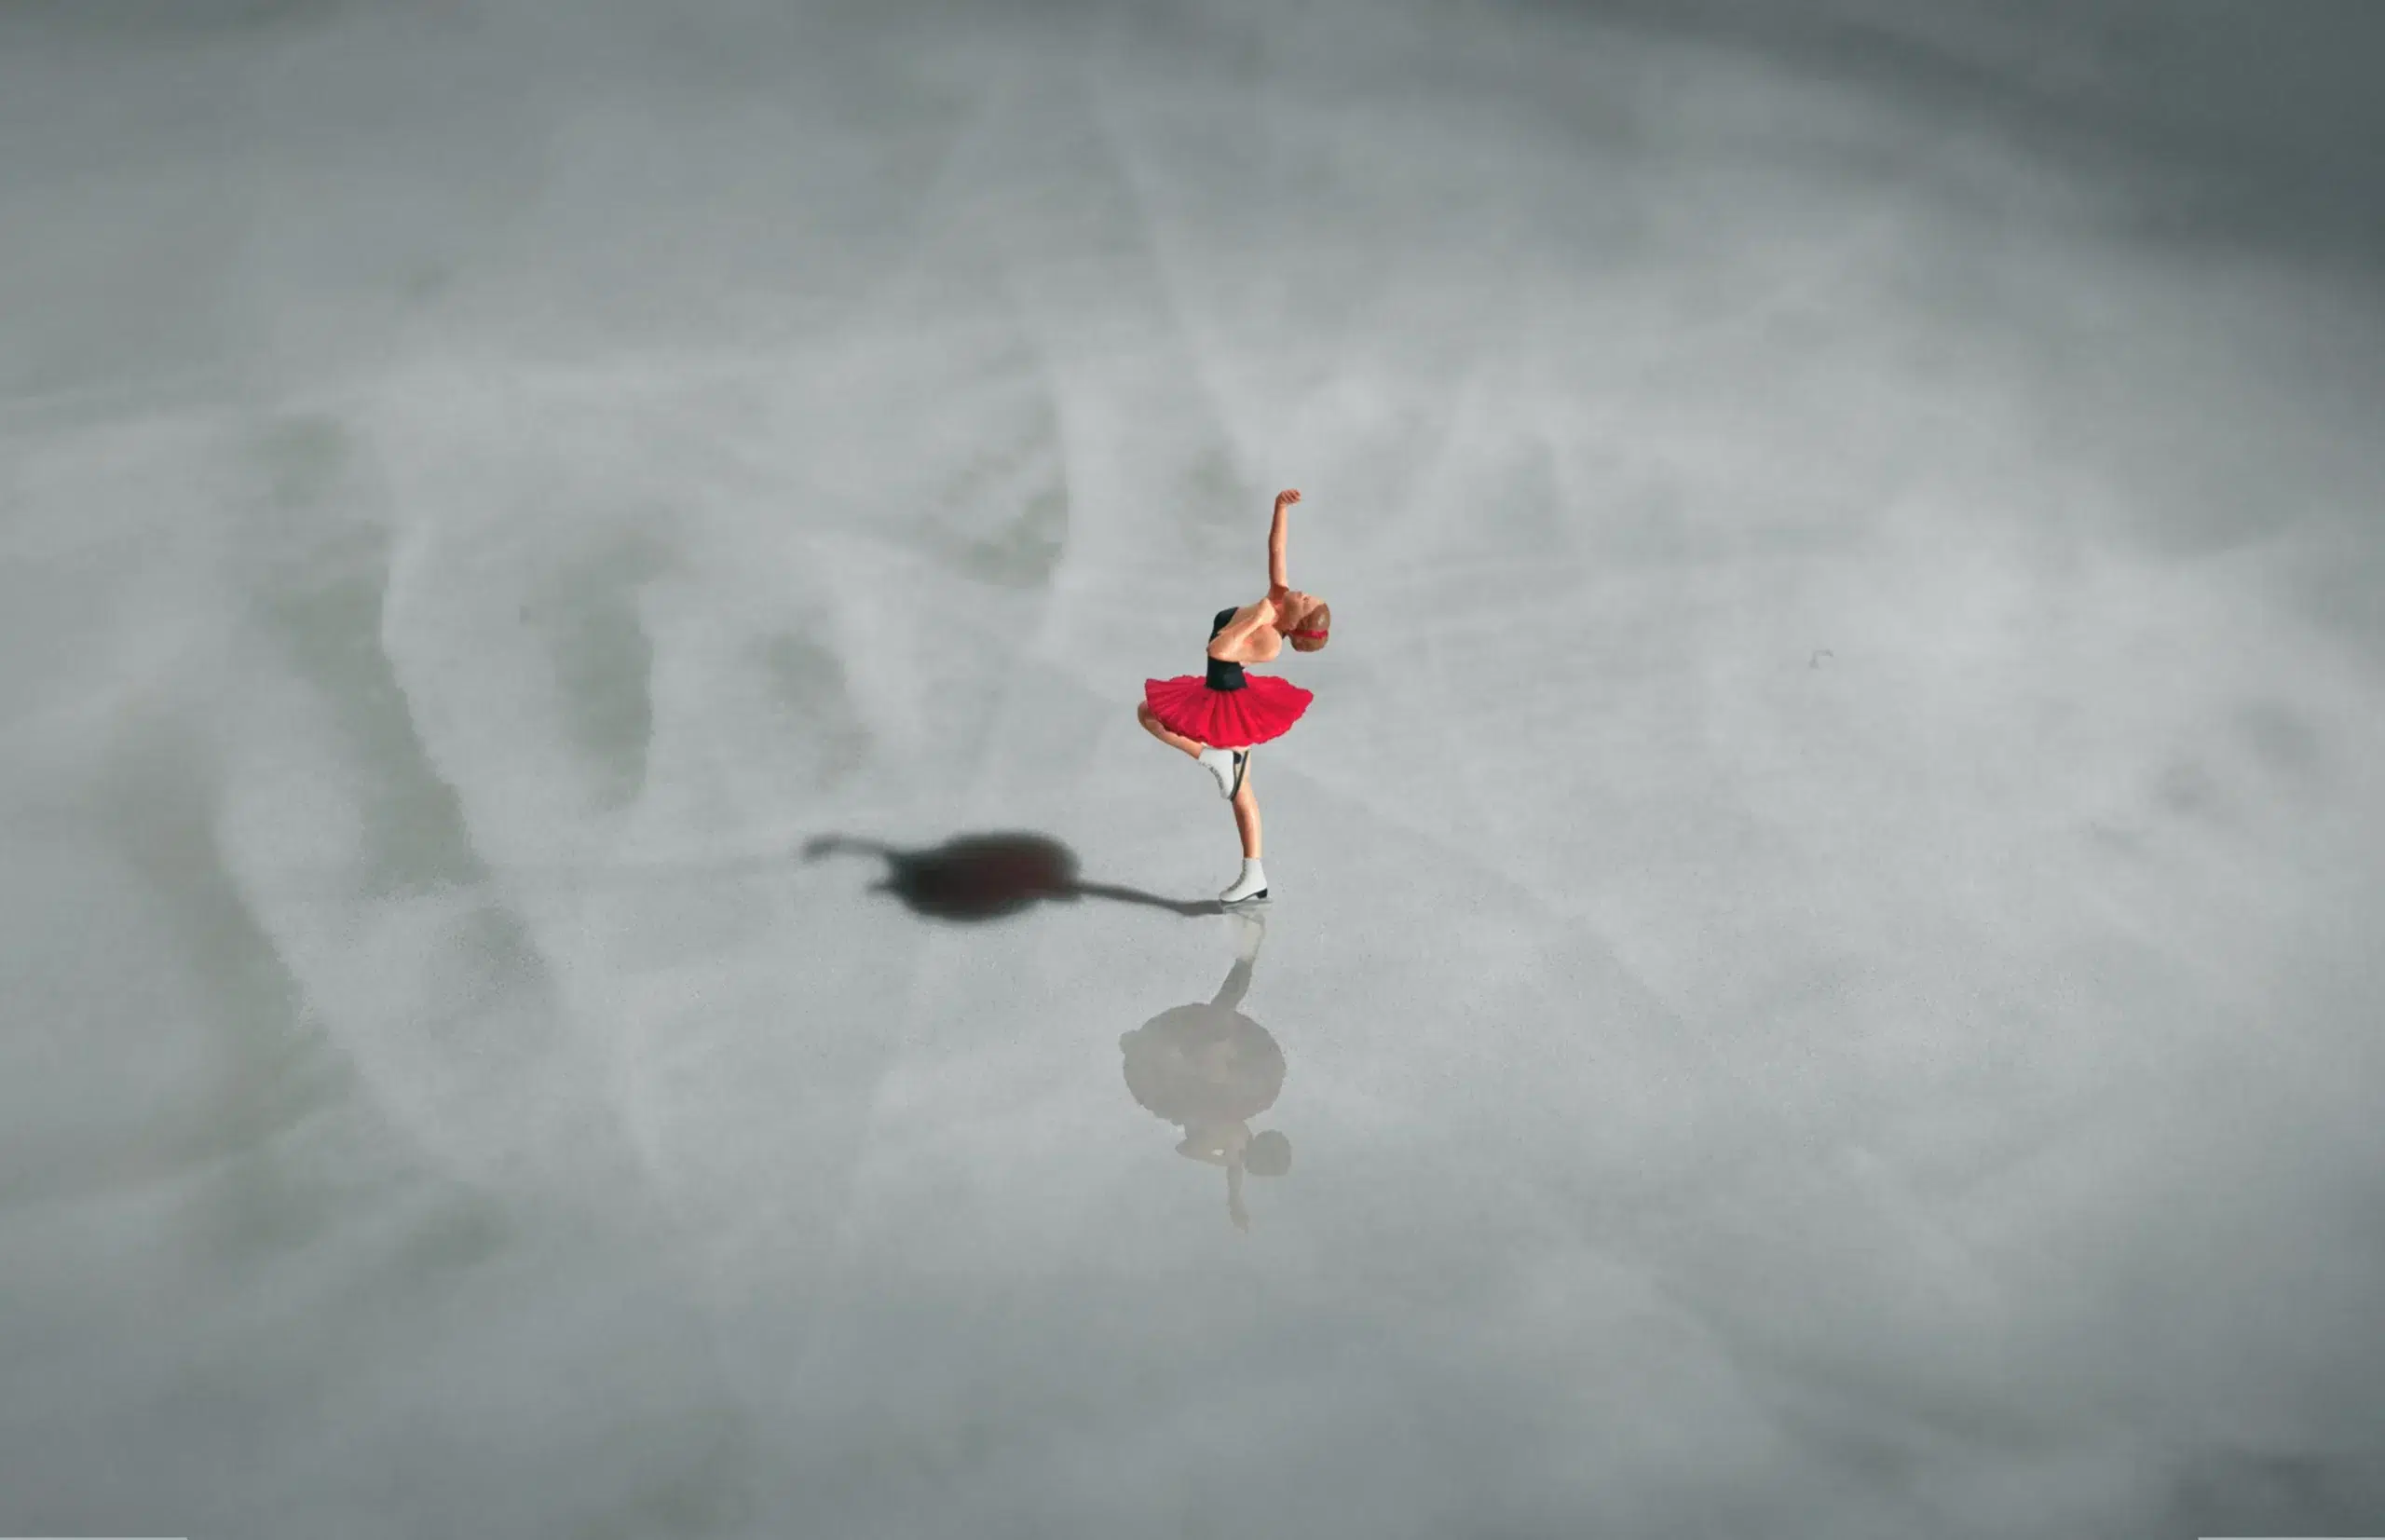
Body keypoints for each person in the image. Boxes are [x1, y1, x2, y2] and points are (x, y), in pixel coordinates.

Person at [1136, 488, 1332, 904]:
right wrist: (1280, 508)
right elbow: (1276, 546)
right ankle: (1213, 760)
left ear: (1295, 624)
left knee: (1242, 794)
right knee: (1147, 713)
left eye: (1306, 600)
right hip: (1210, 691)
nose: (1303, 592)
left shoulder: (1270, 642)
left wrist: (1255, 620)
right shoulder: (1279, 595)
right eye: (1308, 594)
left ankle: (1253, 874)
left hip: (1233, 705)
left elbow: (1219, 650)